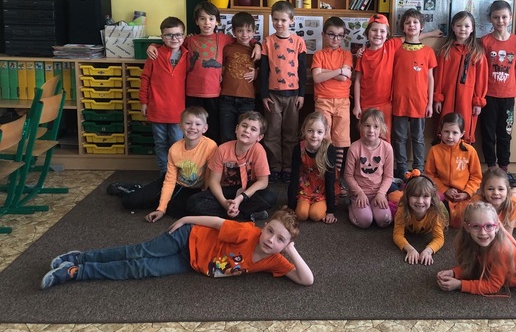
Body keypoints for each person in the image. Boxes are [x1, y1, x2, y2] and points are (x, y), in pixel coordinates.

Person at [41, 207, 314, 288]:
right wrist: (185, 219)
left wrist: (291, 250)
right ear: (264, 228)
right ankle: (81, 257)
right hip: (188, 237)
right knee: (139, 252)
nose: (270, 240)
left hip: (191, 263)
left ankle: (77, 272)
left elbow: (306, 280)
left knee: (141, 269)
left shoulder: (272, 259)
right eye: (270, 231)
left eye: (280, 240)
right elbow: (218, 222)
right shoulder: (248, 233)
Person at [147, 2, 260, 144]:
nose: (207, 23)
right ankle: (193, 154)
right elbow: (171, 42)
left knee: (212, 129)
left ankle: (211, 155)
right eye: (202, 19)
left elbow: (243, 38)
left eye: (211, 19)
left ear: (217, 21)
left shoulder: (224, 39)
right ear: (196, 21)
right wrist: (153, 45)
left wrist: (257, 44)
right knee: (192, 129)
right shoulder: (189, 40)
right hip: (192, 93)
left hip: (214, 94)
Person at [122, 107, 218, 219]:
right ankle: (135, 188)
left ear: (205, 128)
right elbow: (170, 180)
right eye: (188, 123)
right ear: (180, 126)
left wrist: (205, 191)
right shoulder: (174, 149)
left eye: (198, 124)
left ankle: (158, 200)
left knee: (181, 209)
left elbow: (210, 174)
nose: (192, 127)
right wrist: (161, 209)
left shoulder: (211, 146)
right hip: (175, 182)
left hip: (195, 188)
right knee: (130, 202)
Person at [186, 111, 276, 221]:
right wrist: (224, 203)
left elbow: (263, 182)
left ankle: (231, 214)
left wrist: (241, 198)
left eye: (253, 129)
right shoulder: (222, 149)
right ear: (237, 129)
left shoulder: (258, 150)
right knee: (193, 203)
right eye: (244, 126)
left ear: (259, 137)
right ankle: (246, 215)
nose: (247, 130)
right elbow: (213, 181)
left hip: (247, 191)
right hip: (225, 190)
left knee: (269, 197)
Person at [260, 0, 307, 183]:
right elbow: (264, 70)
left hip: (293, 95)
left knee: (291, 134)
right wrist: (264, 95)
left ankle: (288, 167)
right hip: (273, 95)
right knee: (272, 133)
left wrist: (302, 94)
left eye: (283, 20)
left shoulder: (299, 42)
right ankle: (274, 167)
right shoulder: (268, 42)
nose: (279, 23)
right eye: (275, 19)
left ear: (292, 21)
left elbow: (302, 70)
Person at [479, 0, 516, 187]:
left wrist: (513, 90)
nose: (500, 21)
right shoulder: (485, 41)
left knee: (505, 133)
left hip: (508, 97)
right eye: (496, 17)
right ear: (490, 18)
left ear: (510, 18)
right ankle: (491, 168)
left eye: (504, 17)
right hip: (488, 96)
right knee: (488, 133)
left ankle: (503, 170)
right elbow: (481, 71)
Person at [139, 16, 188, 176]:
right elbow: (145, 78)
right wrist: (143, 102)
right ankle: (164, 174)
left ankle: (177, 175)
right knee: (160, 143)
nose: (174, 38)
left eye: (178, 34)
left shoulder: (188, 55)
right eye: (169, 35)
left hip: (178, 112)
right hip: (157, 109)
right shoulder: (155, 55)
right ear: (162, 37)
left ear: (184, 36)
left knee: (177, 143)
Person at [391, 9, 437, 178]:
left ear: (421, 26)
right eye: (408, 22)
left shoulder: (428, 51)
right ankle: (402, 169)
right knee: (399, 137)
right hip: (399, 101)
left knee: (418, 137)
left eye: (415, 22)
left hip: (420, 102)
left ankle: (419, 170)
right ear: (403, 27)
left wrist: (430, 103)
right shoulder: (396, 49)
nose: (411, 25)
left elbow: (430, 78)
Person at [433, 11, 488, 144]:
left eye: (466, 26)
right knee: (446, 129)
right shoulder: (445, 51)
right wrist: (438, 98)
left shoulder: (478, 53)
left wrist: (478, 101)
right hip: (448, 99)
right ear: (453, 27)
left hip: (467, 101)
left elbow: (481, 80)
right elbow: (438, 76)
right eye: (459, 25)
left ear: (472, 28)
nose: (462, 29)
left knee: (465, 130)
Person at [344, 108, 401, 228]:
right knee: (365, 222)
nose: (371, 130)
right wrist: (359, 193)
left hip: (378, 193)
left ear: (382, 128)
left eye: (376, 126)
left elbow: (388, 176)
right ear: (361, 126)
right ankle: (351, 205)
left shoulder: (387, 148)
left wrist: (381, 194)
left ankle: (371, 209)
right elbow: (348, 176)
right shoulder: (354, 148)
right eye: (367, 126)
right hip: (360, 193)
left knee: (384, 220)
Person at [311, 17, 352, 178]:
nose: (336, 39)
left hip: (343, 101)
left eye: (340, 35)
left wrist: (325, 72)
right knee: (323, 138)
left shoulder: (346, 54)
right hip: (323, 100)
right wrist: (339, 71)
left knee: (340, 140)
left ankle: (336, 175)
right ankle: (324, 173)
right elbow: (316, 78)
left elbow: (344, 78)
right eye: (331, 34)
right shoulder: (319, 54)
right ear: (323, 34)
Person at [425, 112, 482, 228]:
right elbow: (430, 175)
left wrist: (466, 193)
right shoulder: (434, 150)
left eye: (455, 132)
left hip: (464, 195)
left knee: (476, 214)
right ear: (440, 132)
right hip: (441, 193)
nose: (450, 136)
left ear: (462, 134)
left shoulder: (470, 151)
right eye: (446, 131)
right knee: (426, 207)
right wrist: (445, 189)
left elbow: (476, 177)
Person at [353, 14, 402, 139]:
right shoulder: (362, 55)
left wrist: (431, 34)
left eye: (382, 31)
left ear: (387, 34)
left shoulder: (391, 46)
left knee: (384, 138)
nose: (378, 34)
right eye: (374, 30)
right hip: (366, 104)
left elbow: (411, 37)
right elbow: (357, 81)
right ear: (367, 32)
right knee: (367, 137)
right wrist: (357, 105)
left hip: (386, 104)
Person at [287, 112, 337, 224]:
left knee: (315, 215)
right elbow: (294, 177)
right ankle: (304, 204)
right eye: (310, 131)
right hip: (305, 188)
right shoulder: (298, 149)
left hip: (322, 190)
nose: (314, 135)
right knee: (301, 214)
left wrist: (330, 211)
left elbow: (330, 180)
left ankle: (322, 206)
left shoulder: (329, 150)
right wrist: (290, 207)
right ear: (304, 130)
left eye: (319, 132)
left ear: (325, 133)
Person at [393, 174, 448, 265]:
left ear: (432, 198)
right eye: (415, 195)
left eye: (425, 196)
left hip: (429, 225)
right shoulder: (402, 209)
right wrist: (409, 249)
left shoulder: (434, 212)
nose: (420, 201)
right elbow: (397, 234)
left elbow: (439, 237)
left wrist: (428, 250)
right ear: (407, 196)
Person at [220, 11, 258, 143]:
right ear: (234, 32)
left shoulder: (256, 50)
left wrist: (257, 73)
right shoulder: (227, 48)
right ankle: (227, 156)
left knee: (246, 135)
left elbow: (265, 69)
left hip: (247, 99)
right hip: (227, 98)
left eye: (248, 30)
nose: (244, 34)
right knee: (226, 134)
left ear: (254, 32)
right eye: (240, 31)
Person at [472, 167, 516, 234]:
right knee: (515, 194)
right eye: (490, 189)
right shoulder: (476, 205)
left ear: (508, 191)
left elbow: (507, 235)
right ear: (483, 191)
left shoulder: (512, 204)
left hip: (511, 202)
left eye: (500, 189)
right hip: (507, 198)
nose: (496, 192)